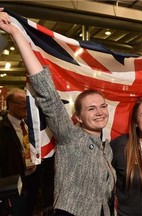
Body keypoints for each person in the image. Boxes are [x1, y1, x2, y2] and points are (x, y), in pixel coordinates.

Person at [0, 9, 116, 216]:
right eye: (91, 108)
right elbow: (47, 93)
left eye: (102, 106)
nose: (99, 112)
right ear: (78, 117)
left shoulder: (107, 149)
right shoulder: (70, 136)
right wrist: (17, 34)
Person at [0, 88, 37, 216]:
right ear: (10, 105)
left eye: (27, 102)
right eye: (22, 102)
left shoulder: (29, 125)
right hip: (12, 185)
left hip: (31, 181)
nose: (26, 106)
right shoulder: (2, 128)